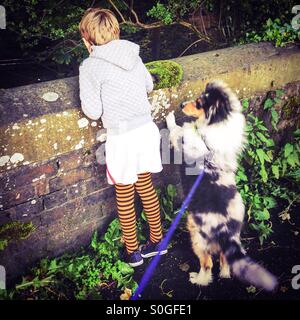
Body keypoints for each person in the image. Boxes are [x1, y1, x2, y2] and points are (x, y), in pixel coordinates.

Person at [79, 8, 167, 267]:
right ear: (117, 31)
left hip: (123, 138)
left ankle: (133, 252)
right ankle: (157, 242)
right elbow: (149, 85)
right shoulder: (133, 55)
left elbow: (93, 110)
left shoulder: (90, 66)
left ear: (87, 40)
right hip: (146, 131)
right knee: (146, 185)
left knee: (124, 193)